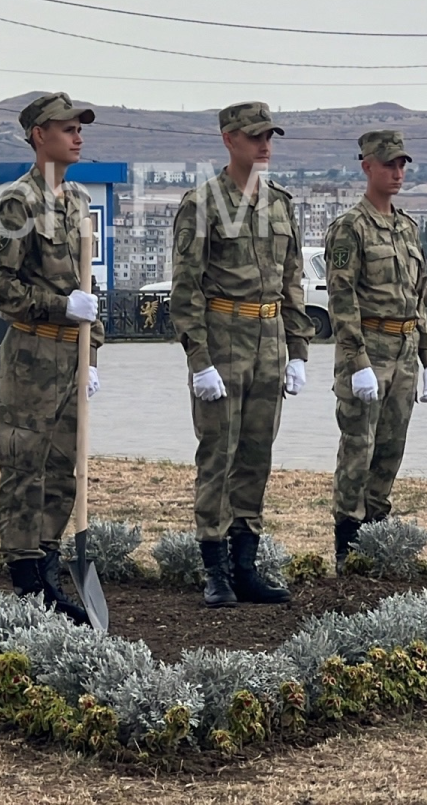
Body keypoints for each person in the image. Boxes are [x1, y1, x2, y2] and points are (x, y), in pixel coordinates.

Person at [170, 101, 315, 607]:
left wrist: (298, 348)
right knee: (218, 455)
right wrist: (198, 360)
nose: (264, 144)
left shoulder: (280, 202)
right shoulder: (203, 202)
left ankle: (246, 564)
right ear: (229, 139)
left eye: (269, 135)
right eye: (254, 136)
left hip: (269, 339)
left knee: (256, 455)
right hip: (223, 338)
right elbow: (185, 289)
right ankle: (215, 569)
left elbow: (292, 278)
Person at [0, 92, 103, 625]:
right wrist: (60, 306)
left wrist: (92, 350)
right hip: (31, 352)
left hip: (71, 355)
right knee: (24, 467)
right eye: (67, 127)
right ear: (38, 134)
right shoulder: (17, 203)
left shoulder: (76, 200)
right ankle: (27, 578)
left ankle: (50, 567)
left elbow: (89, 287)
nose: (78, 135)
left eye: (80, 127)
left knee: (61, 469)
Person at [323, 130, 427, 567]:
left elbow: (419, 295)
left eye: (402, 164)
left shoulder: (406, 227)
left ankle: (375, 538)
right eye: (389, 164)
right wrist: (357, 362)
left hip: (405, 349)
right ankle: (348, 548)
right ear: (366, 165)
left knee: (391, 448)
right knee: (359, 448)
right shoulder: (350, 228)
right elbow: (341, 297)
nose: (398, 172)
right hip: (369, 348)